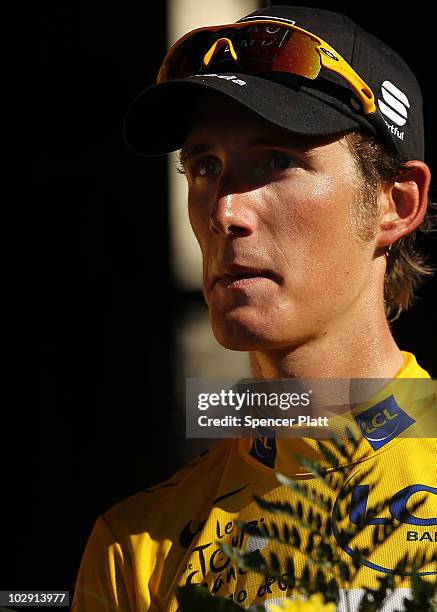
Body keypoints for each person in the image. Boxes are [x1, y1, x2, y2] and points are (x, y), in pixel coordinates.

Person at [72, 5, 436, 611]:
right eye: (205, 167)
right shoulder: (136, 546)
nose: (224, 212)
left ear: (395, 203)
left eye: (278, 161)